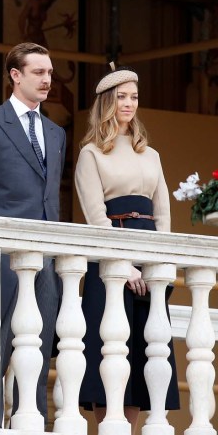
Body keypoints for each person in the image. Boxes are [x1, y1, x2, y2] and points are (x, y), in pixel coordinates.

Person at [0, 42, 66, 422]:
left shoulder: (55, 133)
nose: (47, 79)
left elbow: (50, 197)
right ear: (15, 76)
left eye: (49, 72)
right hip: (0, 260)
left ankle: (30, 424)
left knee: (36, 352)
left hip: (46, 262)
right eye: (38, 72)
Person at [75, 65, 179, 434]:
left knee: (142, 359)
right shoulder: (91, 154)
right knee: (110, 356)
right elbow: (96, 219)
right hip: (112, 265)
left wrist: (154, 268)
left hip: (148, 259)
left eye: (134, 97)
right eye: (122, 97)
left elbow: (163, 214)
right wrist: (124, 267)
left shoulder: (150, 154)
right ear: (107, 101)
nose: (129, 104)